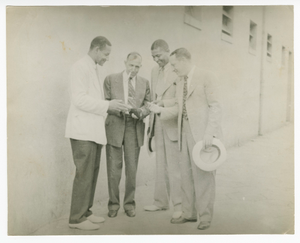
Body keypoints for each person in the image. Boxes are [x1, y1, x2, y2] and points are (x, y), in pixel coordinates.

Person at [149, 48, 222, 230]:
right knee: (186, 175)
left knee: (204, 175)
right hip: (184, 132)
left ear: (183, 61)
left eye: (174, 65)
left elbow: (215, 106)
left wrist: (208, 134)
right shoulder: (180, 81)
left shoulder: (207, 76)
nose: (173, 69)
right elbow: (178, 104)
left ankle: (205, 217)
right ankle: (189, 214)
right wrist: (162, 106)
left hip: (203, 134)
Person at [65, 36, 130, 231]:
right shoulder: (79, 67)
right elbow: (79, 100)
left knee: (91, 173)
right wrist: (108, 105)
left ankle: (85, 212)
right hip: (82, 131)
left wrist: (110, 106)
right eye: (106, 54)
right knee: (84, 174)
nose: (107, 58)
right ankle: (75, 218)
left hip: (92, 130)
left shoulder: (92, 68)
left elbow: (92, 100)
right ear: (96, 50)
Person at [103, 52, 151, 218]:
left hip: (134, 127)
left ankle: (129, 204)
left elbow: (148, 104)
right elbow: (105, 102)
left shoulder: (145, 83)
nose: (134, 69)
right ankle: (113, 205)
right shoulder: (111, 79)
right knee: (113, 169)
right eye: (131, 65)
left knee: (132, 169)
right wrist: (115, 108)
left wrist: (142, 112)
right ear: (125, 63)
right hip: (115, 125)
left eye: (137, 66)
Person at [143, 39, 182, 219]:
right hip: (157, 122)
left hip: (171, 121)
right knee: (160, 165)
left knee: (175, 166)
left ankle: (180, 205)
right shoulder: (153, 71)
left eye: (158, 55)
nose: (156, 59)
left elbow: (181, 100)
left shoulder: (177, 70)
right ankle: (160, 202)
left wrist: (163, 106)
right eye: (153, 57)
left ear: (168, 51)